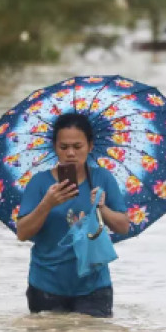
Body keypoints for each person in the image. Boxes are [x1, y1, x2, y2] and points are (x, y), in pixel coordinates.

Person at [15, 113, 130, 318]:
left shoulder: (102, 178)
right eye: (63, 147)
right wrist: (47, 204)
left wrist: (102, 208)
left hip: (94, 286)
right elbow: (22, 233)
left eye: (77, 147)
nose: (70, 153)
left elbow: (123, 226)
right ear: (55, 147)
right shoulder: (39, 183)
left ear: (90, 146)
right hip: (46, 284)